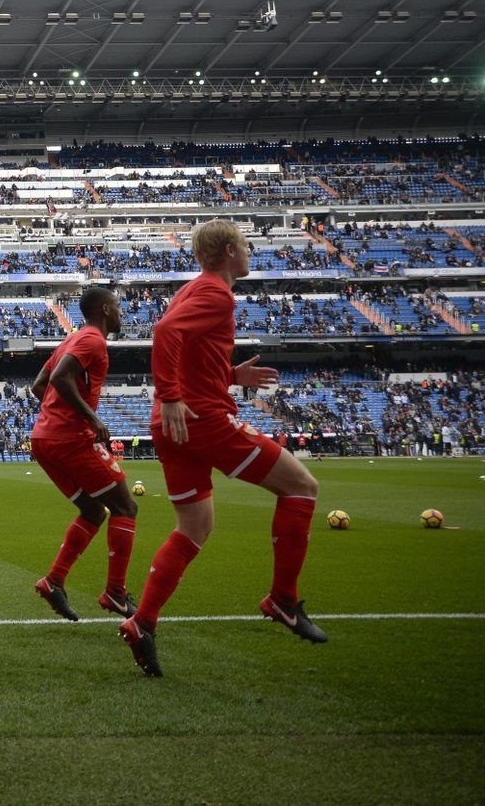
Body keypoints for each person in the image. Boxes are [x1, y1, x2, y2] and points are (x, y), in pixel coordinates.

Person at [119, 220, 325, 678]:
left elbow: (189, 349)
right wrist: (171, 392)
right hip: (201, 419)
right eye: (247, 245)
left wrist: (231, 376)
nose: (250, 252)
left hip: (173, 423)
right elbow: (165, 333)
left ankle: (143, 621)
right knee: (301, 487)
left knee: (194, 525)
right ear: (230, 250)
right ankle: (283, 599)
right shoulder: (217, 293)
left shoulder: (192, 290)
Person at [29, 286, 139, 621]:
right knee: (125, 506)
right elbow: (60, 378)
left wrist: (55, 415)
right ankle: (116, 593)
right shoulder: (93, 341)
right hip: (69, 439)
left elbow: (39, 385)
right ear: (104, 310)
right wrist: (90, 418)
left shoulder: (69, 340)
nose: (121, 313)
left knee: (93, 512)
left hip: (44, 439)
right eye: (117, 307)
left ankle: (54, 581)